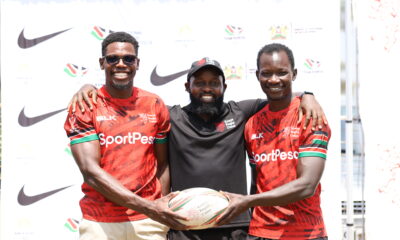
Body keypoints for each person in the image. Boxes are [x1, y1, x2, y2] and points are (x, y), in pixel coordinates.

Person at [69, 56, 327, 240]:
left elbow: (280, 95)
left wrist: (308, 94)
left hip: (234, 225)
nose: (207, 88)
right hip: (184, 225)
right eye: (199, 82)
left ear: (224, 87)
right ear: (187, 87)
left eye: (214, 83)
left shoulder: (242, 112)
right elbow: (130, 109)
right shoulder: (171, 116)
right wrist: (89, 87)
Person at [64, 31, 187, 240]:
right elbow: (90, 172)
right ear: (102, 63)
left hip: (148, 223)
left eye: (128, 58)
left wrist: (160, 205)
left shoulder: (154, 104)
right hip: (100, 223)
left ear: (137, 63)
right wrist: (149, 207)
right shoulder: (85, 106)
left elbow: (163, 163)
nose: (121, 64)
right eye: (113, 58)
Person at [216, 43, 330, 240]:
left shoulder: (311, 117)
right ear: (257, 75)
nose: (274, 80)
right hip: (259, 232)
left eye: (282, 73)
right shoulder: (252, 123)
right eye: (266, 73)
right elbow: (257, 180)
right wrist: (251, 208)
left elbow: (307, 185)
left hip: (304, 233)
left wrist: (247, 201)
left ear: (293, 74)